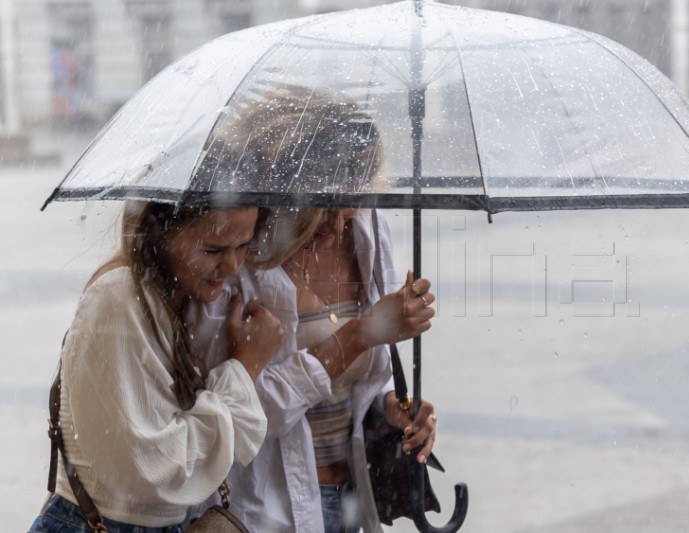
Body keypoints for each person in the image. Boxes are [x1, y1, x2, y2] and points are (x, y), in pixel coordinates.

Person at [185, 85, 438, 532]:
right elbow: (233, 420)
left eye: (352, 202)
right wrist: (357, 334)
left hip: (355, 501)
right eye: (321, 207)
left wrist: (392, 410)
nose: (339, 222)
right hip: (266, 511)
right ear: (282, 192)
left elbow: (362, 385)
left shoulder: (368, 233)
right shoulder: (238, 264)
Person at [29, 201, 284, 533]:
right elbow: (155, 467)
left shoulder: (174, 295)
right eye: (213, 249)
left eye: (243, 245)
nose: (233, 266)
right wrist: (245, 367)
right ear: (157, 231)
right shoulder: (120, 298)